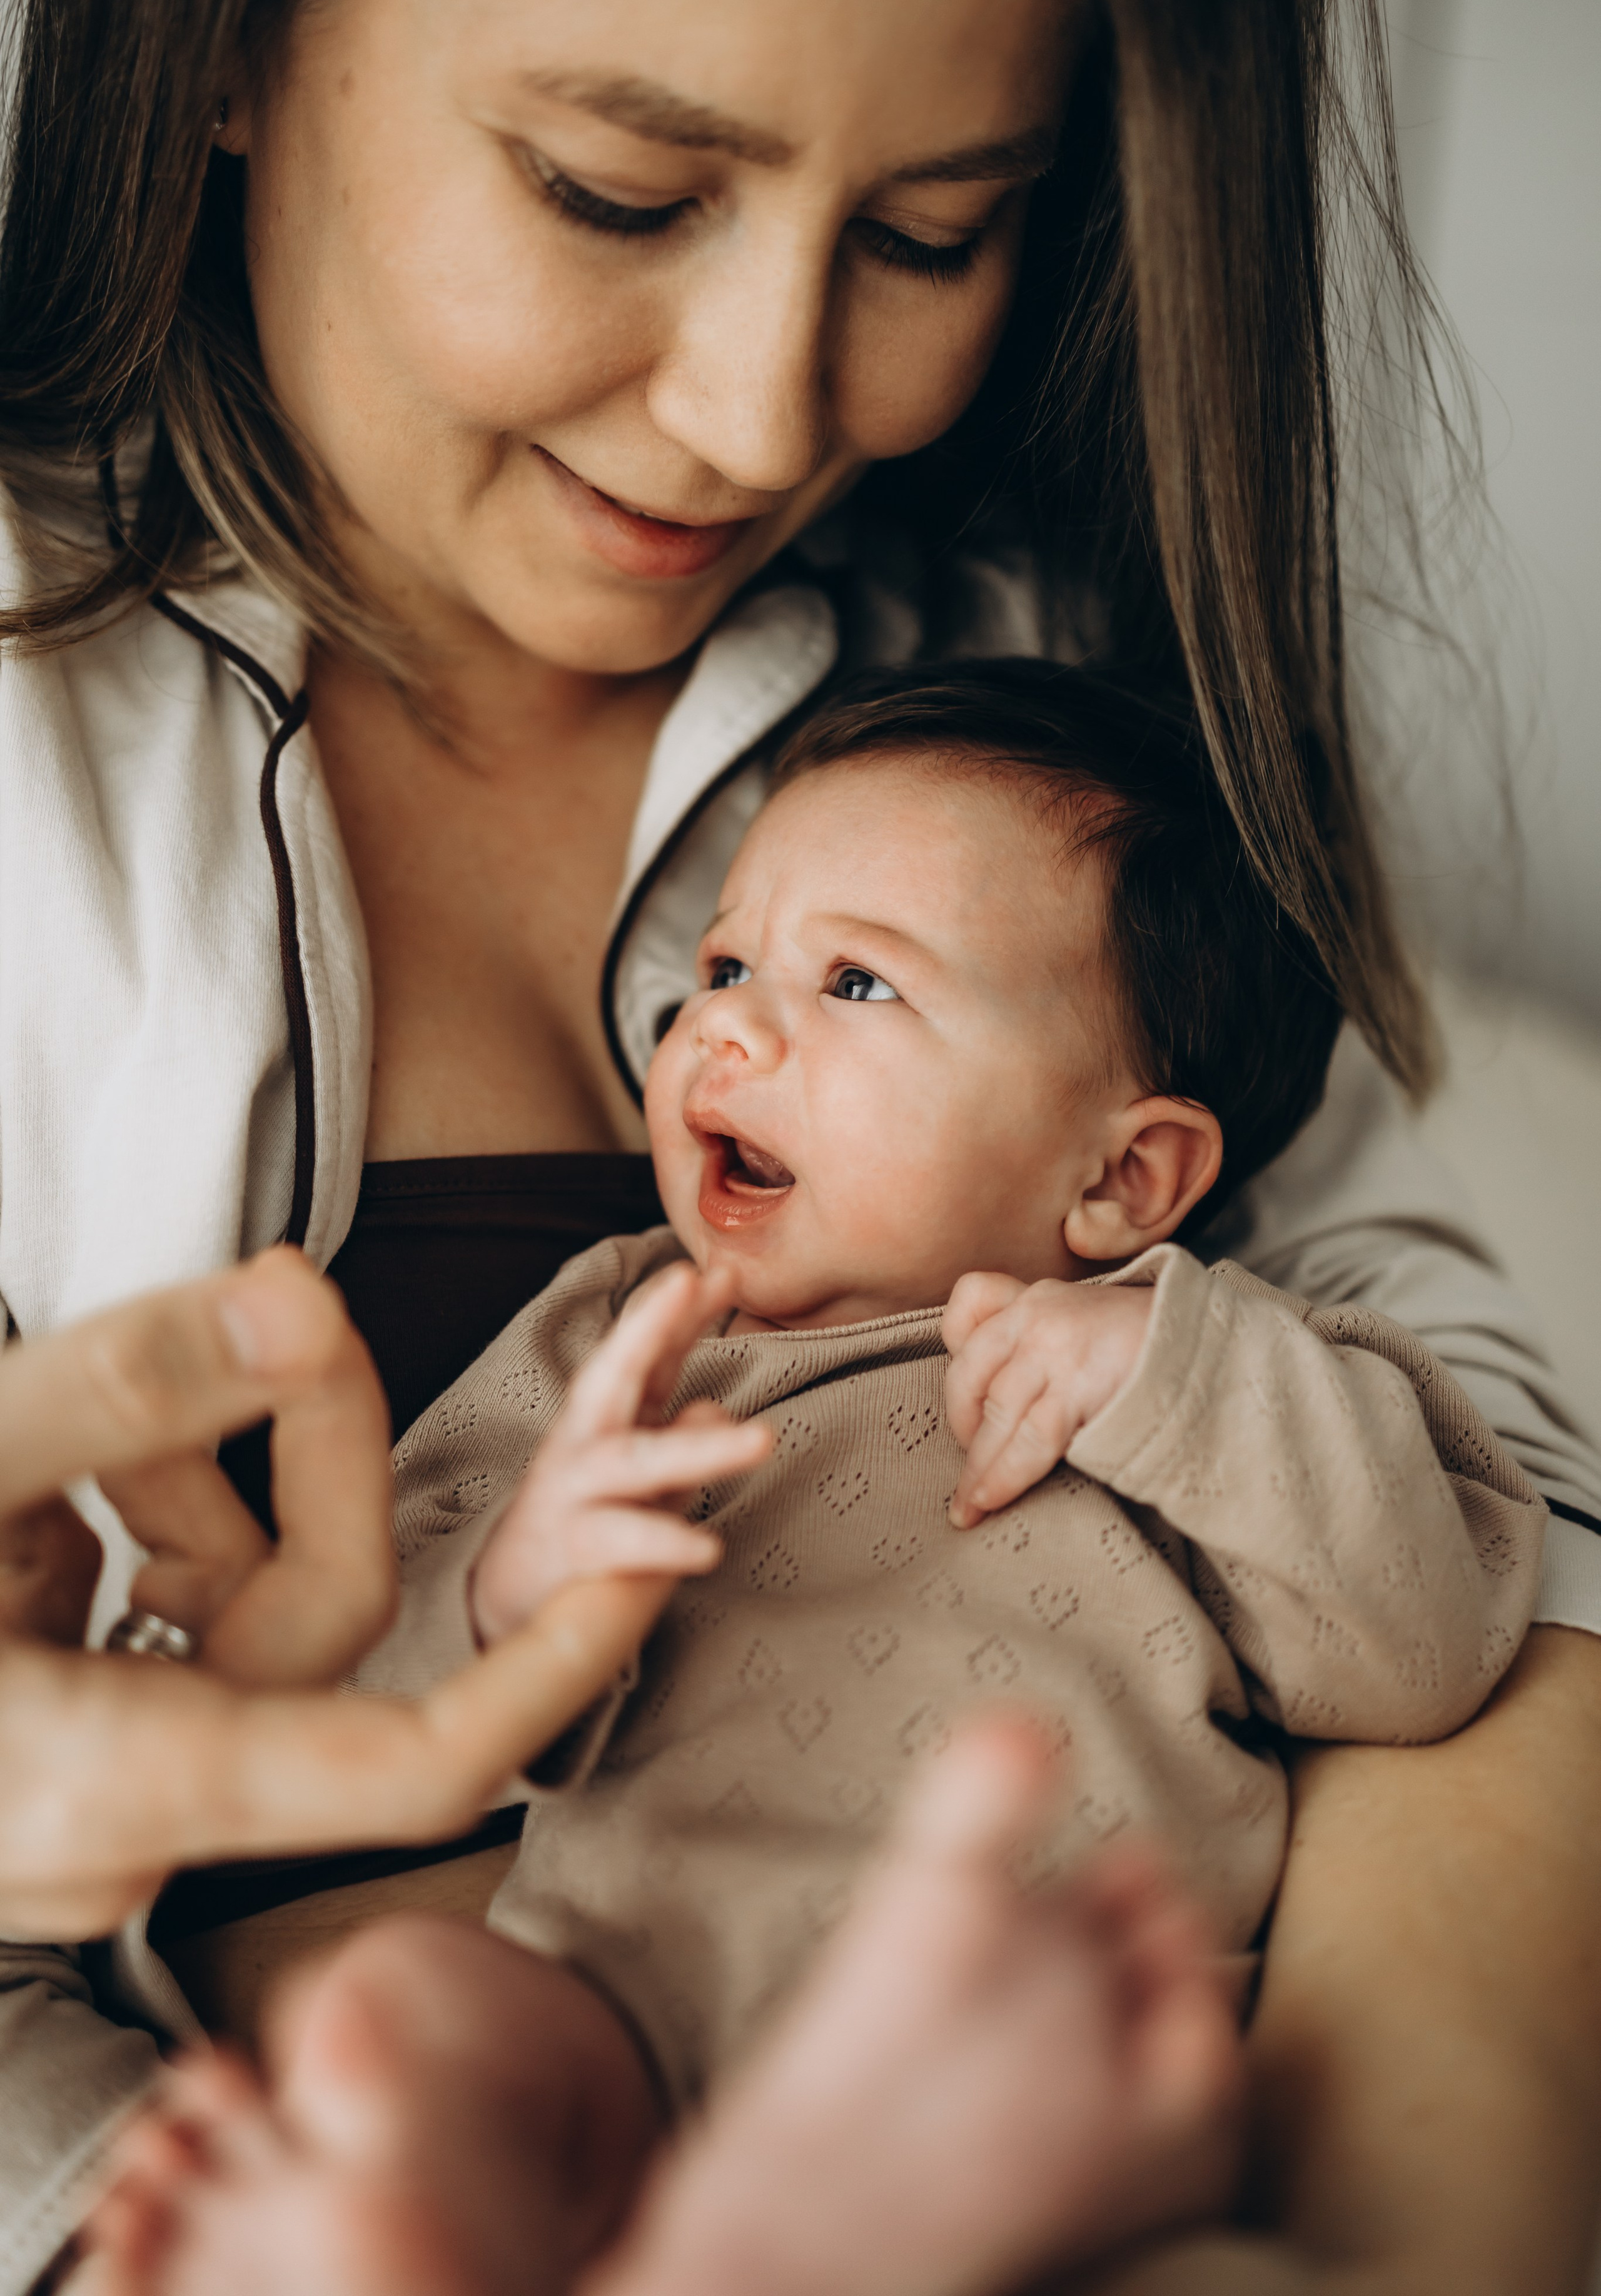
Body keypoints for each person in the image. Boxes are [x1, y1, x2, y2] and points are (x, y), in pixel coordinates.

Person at [0, 0, 1598, 2290]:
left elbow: (1496, 1521)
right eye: (615, 192)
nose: (765, 413)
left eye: (939, 229)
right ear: (222, 31)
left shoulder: (1031, 714)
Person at [85, 663, 1545, 2293]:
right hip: (618, 2004)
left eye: (855, 986)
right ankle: (421, 2244)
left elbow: (1423, 1647)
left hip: (1016, 2060)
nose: (724, 1023)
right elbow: (372, 1674)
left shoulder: (1227, 1364)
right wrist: (516, 1589)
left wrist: (1173, 1379)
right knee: (395, 2020)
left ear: (1124, 1176)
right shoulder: (621, 1335)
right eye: (722, 964)